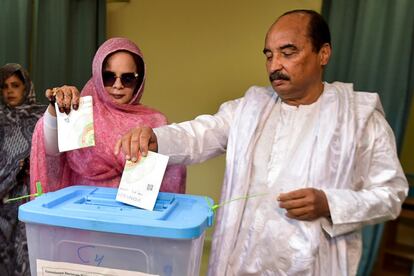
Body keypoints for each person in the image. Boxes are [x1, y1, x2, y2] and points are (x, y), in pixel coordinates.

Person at [114, 10, 408, 275]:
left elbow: (391, 194)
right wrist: (156, 138)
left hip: (315, 266)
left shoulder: (358, 117)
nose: (275, 65)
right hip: (240, 262)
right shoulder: (251, 108)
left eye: (288, 53)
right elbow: (200, 133)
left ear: (323, 53)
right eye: (269, 55)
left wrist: (329, 203)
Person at [30, 37, 186, 194]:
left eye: (127, 78)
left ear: (138, 82)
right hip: (82, 213)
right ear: (97, 76)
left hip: (134, 216)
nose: (118, 85)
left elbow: (169, 178)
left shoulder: (155, 121)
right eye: (109, 77)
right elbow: (50, 152)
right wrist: (55, 107)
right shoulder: (80, 112)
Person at [0, 63, 46, 275]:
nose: (9, 91)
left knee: (25, 253)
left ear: (26, 87)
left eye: (15, 85)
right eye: (4, 86)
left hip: (29, 196)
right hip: (2, 198)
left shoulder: (42, 117)